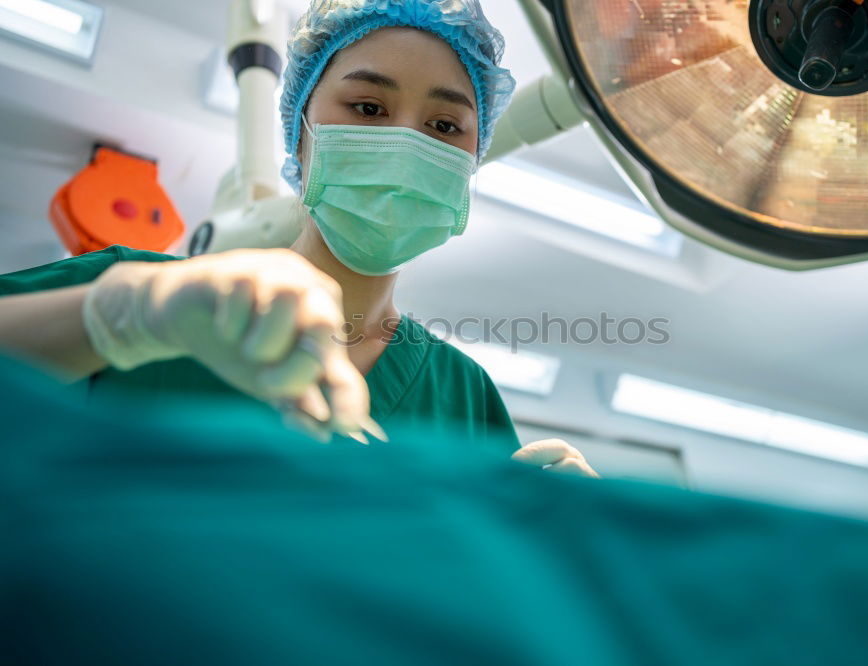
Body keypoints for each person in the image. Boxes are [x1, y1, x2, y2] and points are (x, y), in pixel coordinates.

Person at [0, 0, 598, 477]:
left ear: (471, 159)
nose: (404, 142)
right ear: (302, 135)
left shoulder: (463, 397)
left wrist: (558, 531)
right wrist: (125, 318)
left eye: (444, 126)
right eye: (367, 106)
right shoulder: (140, 293)